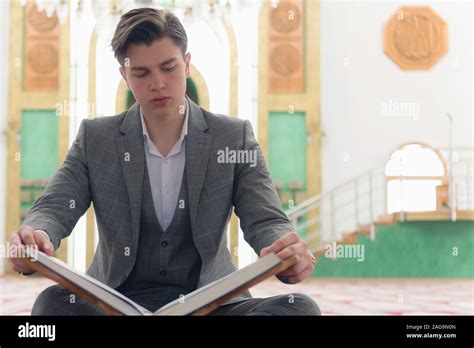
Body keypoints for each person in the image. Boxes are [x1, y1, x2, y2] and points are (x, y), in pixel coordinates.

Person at [8, 7, 320, 316]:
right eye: (141, 73)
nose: (157, 83)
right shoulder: (96, 138)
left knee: (300, 310)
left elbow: (265, 219)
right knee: (52, 306)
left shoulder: (233, 136)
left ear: (186, 64)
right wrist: (38, 234)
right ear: (125, 75)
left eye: (168, 67)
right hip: (114, 302)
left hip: (212, 304)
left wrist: (283, 248)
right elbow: (56, 206)